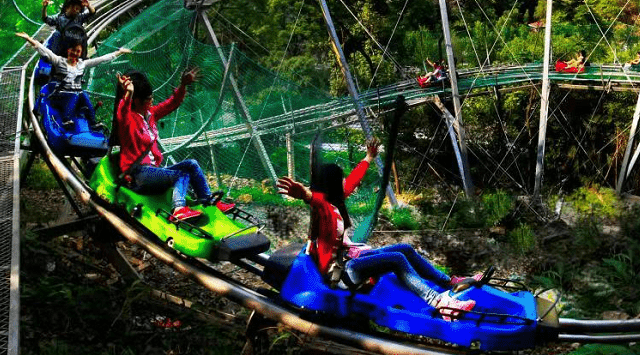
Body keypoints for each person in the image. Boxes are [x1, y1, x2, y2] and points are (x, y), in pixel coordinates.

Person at [277, 143, 479, 321]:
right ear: (331, 185)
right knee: (396, 259)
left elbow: (353, 180)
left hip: (347, 261)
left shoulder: (336, 200)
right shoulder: (325, 209)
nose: (345, 181)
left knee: (404, 249)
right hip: (340, 274)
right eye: (341, 179)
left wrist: (368, 157)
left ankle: (449, 282)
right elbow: (315, 200)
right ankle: (440, 303)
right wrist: (304, 193)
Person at [115, 68, 234, 224]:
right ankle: (178, 209)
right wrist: (128, 93)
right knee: (181, 174)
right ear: (137, 101)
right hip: (138, 175)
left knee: (191, 164)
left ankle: (208, 201)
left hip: (154, 171)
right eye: (148, 98)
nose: (152, 100)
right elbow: (122, 111)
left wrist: (183, 85)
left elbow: (171, 104)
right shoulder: (128, 119)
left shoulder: (150, 114)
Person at [15, 31, 130, 129]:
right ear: (68, 50)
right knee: (75, 94)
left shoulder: (82, 64)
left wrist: (118, 52)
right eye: (73, 50)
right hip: (59, 95)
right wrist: (29, 39)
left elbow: (101, 59)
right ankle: (66, 119)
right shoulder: (59, 61)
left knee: (82, 94)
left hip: (75, 95)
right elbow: (44, 51)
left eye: (78, 51)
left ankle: (93, 122)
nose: (75, 53)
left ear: (80, 53)